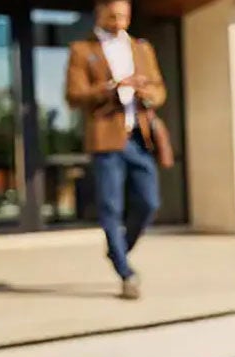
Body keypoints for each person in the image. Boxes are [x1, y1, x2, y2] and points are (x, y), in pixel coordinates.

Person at [65, 0, 166, 300]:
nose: (120, 20)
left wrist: (147, 92)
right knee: (111, 207)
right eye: (114, 15)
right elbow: (74, 95)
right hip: (106, 138)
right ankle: (126, 273)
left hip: (138, 138)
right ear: (100, 13)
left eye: (125, 15)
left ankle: (117, 250)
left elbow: (160, 89)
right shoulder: (81, 50)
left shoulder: (142, 48)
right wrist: (112, 86)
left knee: (149, 202)